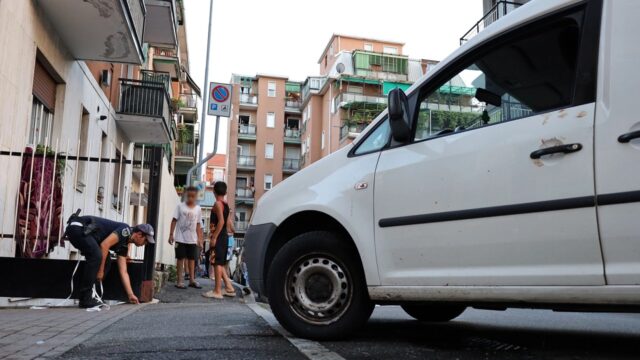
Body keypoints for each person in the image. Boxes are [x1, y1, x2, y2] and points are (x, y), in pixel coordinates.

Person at [65, 213, 154, 308]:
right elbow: (104, 245)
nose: (145, 244)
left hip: (86, 233)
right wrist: (100, 271)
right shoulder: (125, 230)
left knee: (106, 262)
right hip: (78, 227)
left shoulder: (124, 245)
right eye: (145, 240)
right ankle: (85, 299)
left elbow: (123, 272)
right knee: (96, 256)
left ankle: (94, 295)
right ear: (139, 234)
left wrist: (130, 295)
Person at [203, 182, 236, 299]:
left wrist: (214, 237)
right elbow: (228, 222)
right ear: (226, 192)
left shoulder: (217, 204)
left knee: (216, 263)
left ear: (214, 192)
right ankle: (229, 287)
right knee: (220, 263)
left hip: (219, 237)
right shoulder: (225, 204)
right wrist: (232, 228)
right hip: (224, 236)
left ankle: (217, 291)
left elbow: (221, 221)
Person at [168, 186, 204, 289]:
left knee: (192, 259)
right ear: (186, 195)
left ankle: (192, 280)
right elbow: (174, 220)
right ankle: (179, 281)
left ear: (196, 197)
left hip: (192, 239)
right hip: (180, 238)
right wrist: (171, 234)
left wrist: (200, 239)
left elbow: (198, 225)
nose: (190, 198)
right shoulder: (180, 206)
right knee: (180, 259)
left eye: (193, 196)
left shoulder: (198, 209)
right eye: (189, 196)